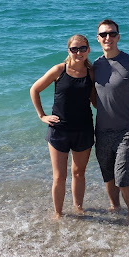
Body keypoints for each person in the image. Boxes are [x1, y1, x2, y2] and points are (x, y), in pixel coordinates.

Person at [30, 34, 95, 219]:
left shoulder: (91, 73)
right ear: (69, 51)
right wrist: (42, 115)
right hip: (59, 130)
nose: (79, 52)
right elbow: (34, 89)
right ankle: (58, 213)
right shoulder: (59, 70)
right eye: (74, 49)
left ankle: (78, 208)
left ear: (88, 50)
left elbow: (96, 100)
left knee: (79, 173)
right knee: (59, 177)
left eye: (82, 48)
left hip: (84, 129)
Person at [93, 19, 129, 223]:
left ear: (118, 37)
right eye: (103, 35)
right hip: (101, 131)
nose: (107, 38)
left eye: (111, 34)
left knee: (123, 178)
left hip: (127, 130)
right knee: (108, 177)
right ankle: (115, 208)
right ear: (98, 39)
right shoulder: (96, 65)